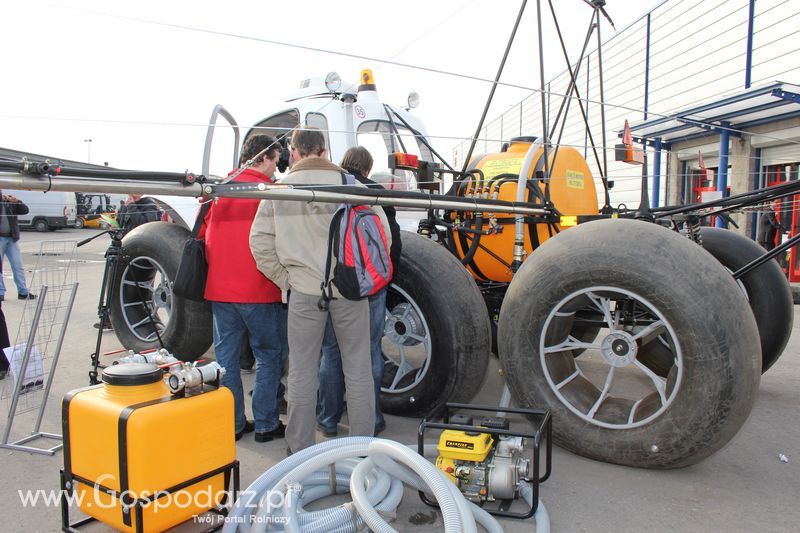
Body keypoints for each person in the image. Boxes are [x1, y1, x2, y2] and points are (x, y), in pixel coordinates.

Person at [250, 127, 391, 453]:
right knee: (357, 370)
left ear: (294, 153)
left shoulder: (279, 189)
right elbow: (381, 234)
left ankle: (298, 448)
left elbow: (259, 243)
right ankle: (361, 446)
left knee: (301, 371)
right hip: (350, 291)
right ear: (325, 151)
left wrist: (287, 279)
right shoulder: (350, 185)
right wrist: (362, 276)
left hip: (303, 292)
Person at [199, 134, 286, 443]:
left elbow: (205, 239)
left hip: (220, 291)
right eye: (275, 160)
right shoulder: (269, 192)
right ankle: (265, 424)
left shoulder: (219, 190)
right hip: (259, 290)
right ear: (263, 157)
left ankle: (234, 423)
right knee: (268, 356)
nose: (276, 168)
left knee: (226, 362)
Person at [317, 148, 401, 437]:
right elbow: (387, 240)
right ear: (367, 167)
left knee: (331, 352)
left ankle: (328, 418)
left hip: (333, 286)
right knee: (369, 351)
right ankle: (372, 419)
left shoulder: (325, 188)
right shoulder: (370, 193)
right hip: (370, 288)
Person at [0, 191, 36, 301]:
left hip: (12, 238)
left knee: (18, 265)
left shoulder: (10, 203)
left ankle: (23, 292)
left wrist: (17, 202)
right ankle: (1, 292)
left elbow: (25, 210)